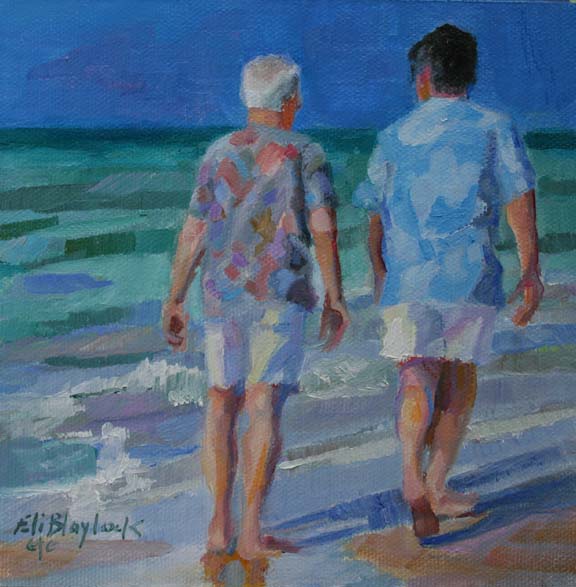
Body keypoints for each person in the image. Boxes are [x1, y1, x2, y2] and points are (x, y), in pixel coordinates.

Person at [354, 24, 543, 537]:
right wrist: (530, 270)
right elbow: (518, 199)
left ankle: (410, 477)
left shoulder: (393, 136)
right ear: (469, 75)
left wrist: (379, 270)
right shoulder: (494, 127)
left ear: (422, 76)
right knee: (458, 381)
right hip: (469, 275)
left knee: (415, 376)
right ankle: (437, 485)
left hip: (408, 279)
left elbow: (375, 213)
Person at [163, 55, 350, 559]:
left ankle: (217, 526)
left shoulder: (217, 153)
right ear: (290, 101)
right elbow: (323, 227)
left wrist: (175, 295)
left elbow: (195, 228)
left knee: (221, 401)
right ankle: (250, 531)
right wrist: (334, 295)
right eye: (297, 96)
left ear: (247, 98)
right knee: (263, 403)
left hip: (220, 295)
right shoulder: (305, 152)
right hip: (281, 293)